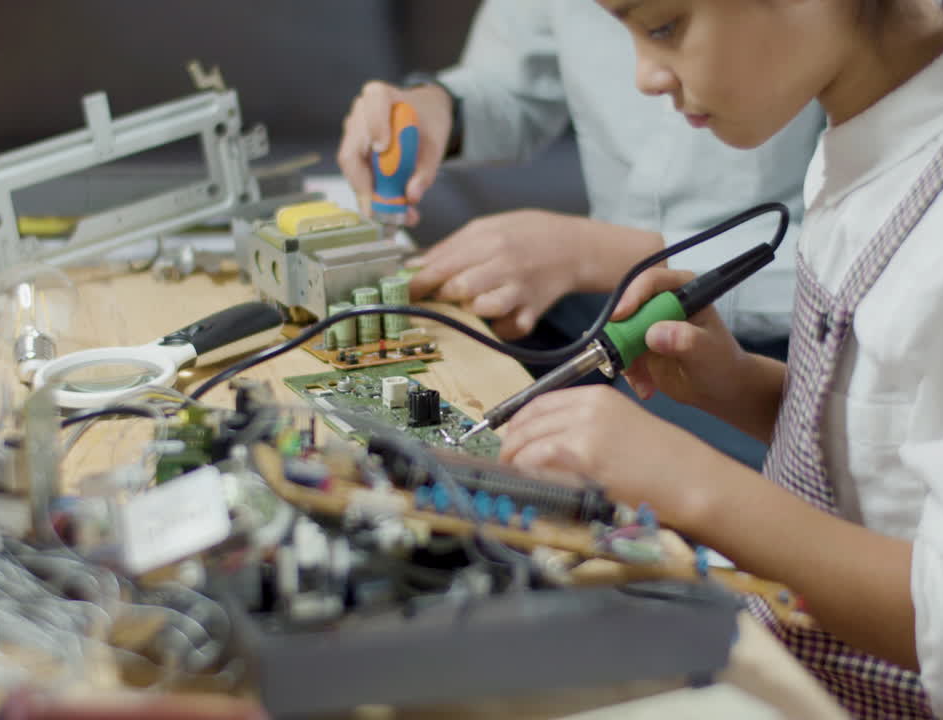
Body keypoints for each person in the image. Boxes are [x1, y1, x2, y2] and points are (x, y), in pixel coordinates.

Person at [496, 0, 943, 717]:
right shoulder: (868, 146)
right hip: (798, 671)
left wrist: (690, 485)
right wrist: (738, 386)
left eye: (664, 27)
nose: (644, 77)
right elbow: (890, 465)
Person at [337, 0, 824, 469]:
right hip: (608, 304)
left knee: (622, 464)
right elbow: (513, 81)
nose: (644, 78)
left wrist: (609, 256)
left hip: (786, 345)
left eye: (663, 28)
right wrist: (440, 107)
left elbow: (846, 269)